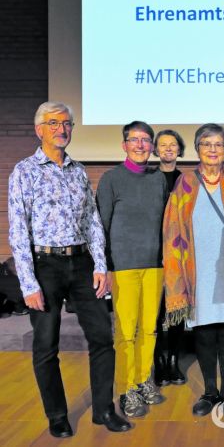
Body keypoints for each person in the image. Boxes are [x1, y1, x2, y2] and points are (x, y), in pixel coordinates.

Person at [8, 101, 130, 437]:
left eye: (67, 123)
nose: (62, 129)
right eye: (53, 123)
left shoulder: (78, 170)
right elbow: (18, 230)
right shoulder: (24, 171)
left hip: (81, 264)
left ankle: (104, 410)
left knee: (103, 338)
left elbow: (92, 221)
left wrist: (101, 265)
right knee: (46, 344)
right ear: (39, 129)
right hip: (44, 265)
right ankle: (57, 415)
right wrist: (28, 284)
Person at [163, 123, 224, 417]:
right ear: (198, 148)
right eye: (206, 144)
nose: (212, 150)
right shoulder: (185, 183)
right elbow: (173, 227)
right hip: (196, 271)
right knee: (203, 334)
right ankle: (209, 391)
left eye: (218, 144)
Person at [96, 121, 168, 418]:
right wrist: (106, 268)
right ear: (124, 145)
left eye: (145, 140)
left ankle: (143, 379)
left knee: (149, 329)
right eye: (134, 140)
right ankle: (126, 389)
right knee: (125, 332)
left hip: (155, 267)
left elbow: (165, 223)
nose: (140, 145)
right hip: (123, 268)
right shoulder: (111, 179)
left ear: (152, 146)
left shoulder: (158, 180)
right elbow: (100, 226)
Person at [152, 129, 186, 386]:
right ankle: (158, 362)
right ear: (155, 150)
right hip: (151, 253)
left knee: (176, 310)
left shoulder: (187, 181)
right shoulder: (147, 177)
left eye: (172, 145)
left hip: (179, 254)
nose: (168, 149)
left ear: (179, 149)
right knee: (154, 311)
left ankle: (174, 360)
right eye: (162, 145)